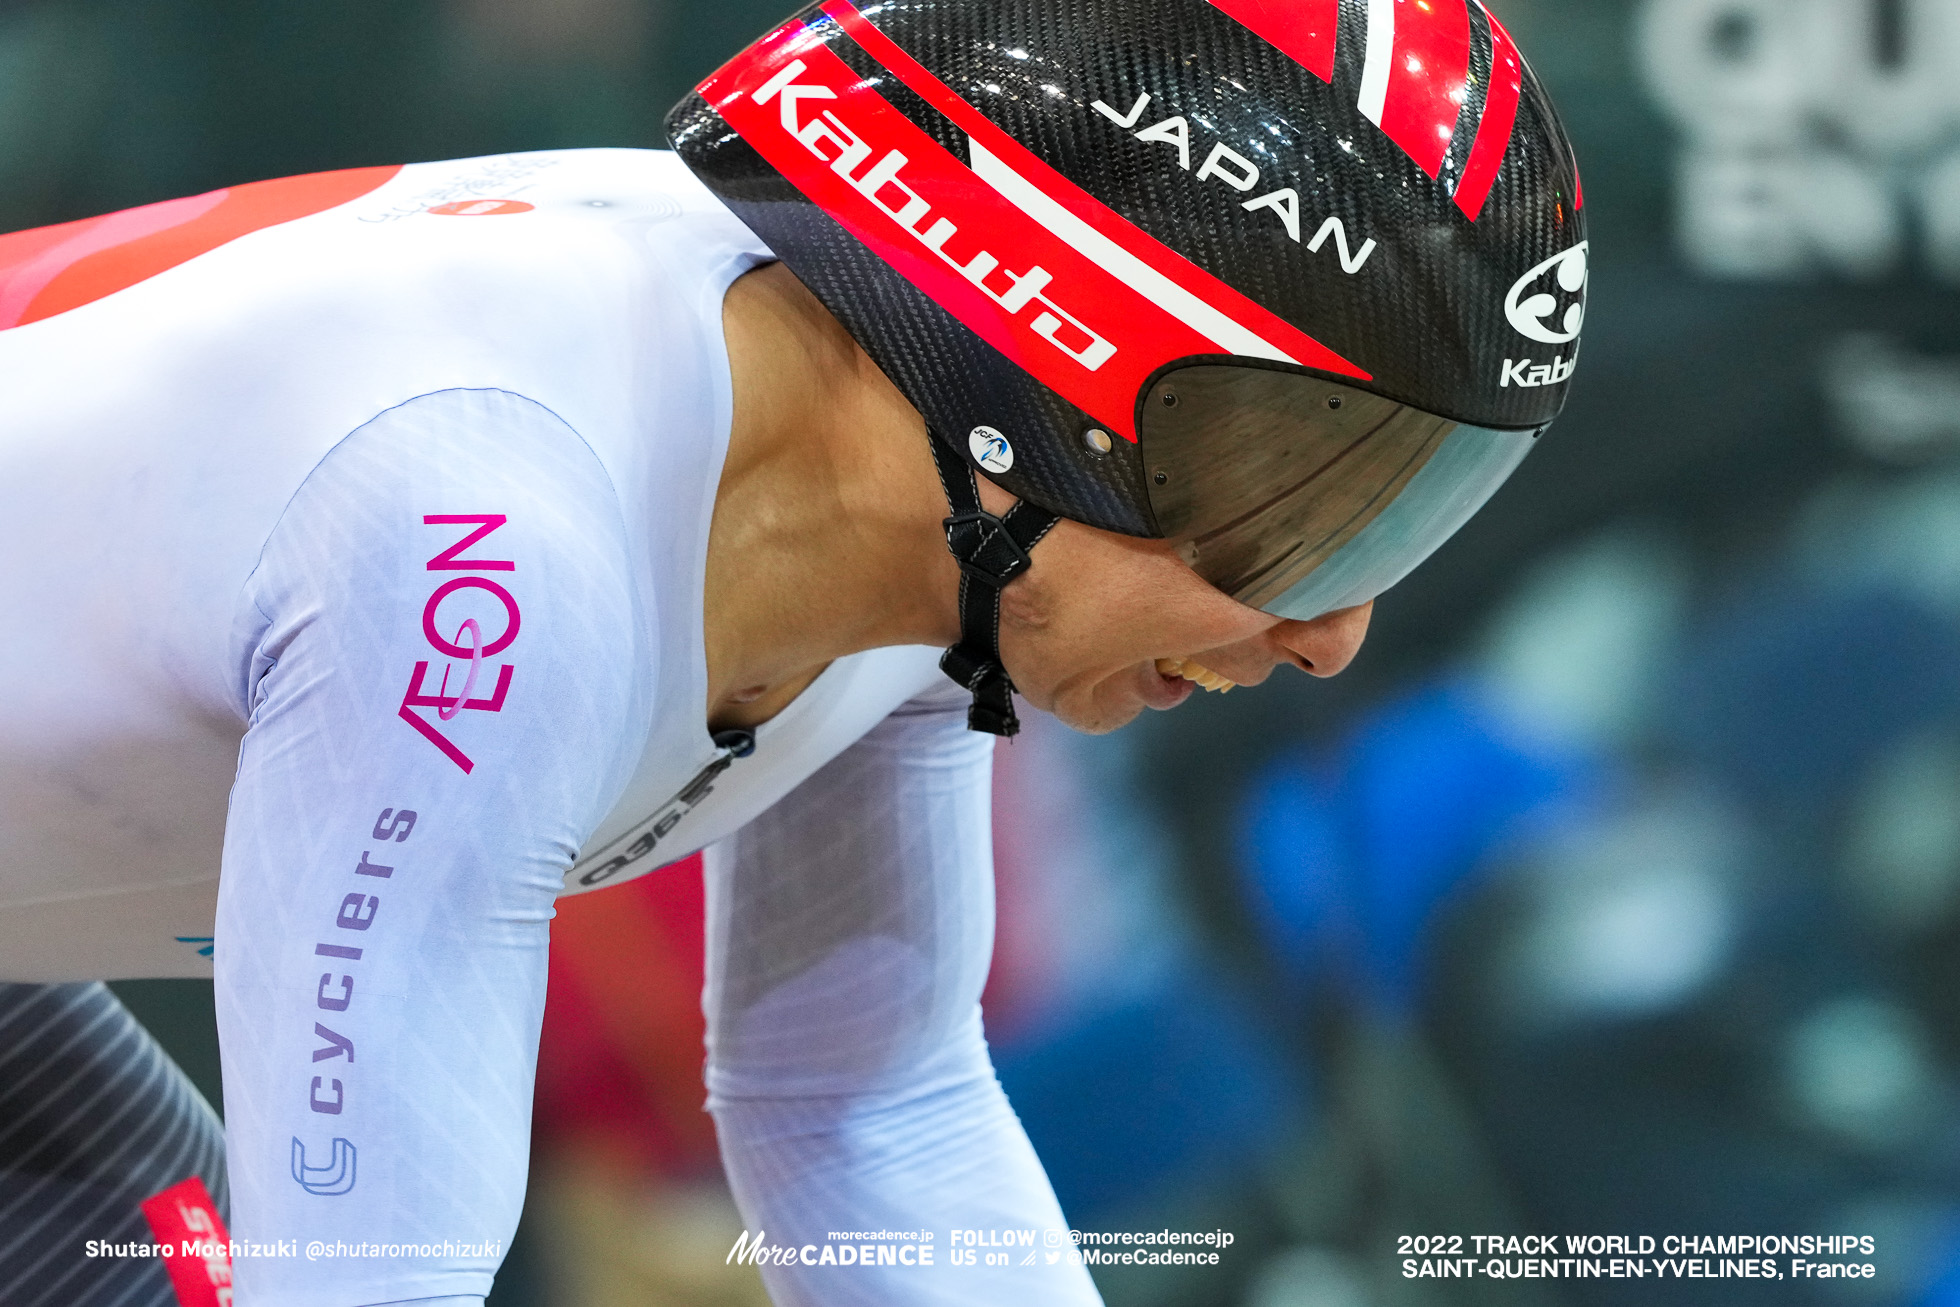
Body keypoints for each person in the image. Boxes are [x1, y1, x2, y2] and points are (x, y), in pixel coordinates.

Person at [0, 0, 1585, 1301]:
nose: (1334, 634)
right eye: (1309, 502)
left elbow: (870, 1116)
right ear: (1053, 368)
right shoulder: (483, 536)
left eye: (1398, 512)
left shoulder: (918, 516)